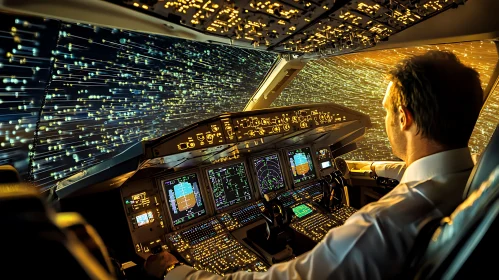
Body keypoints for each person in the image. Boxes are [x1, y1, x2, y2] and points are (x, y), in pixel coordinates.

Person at [147, 50, 484, 279]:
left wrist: (176, 272)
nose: (385, 119)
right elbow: (407, 172)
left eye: (385, 110)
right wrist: (358, 167)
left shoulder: (380, 225)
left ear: (404, 118)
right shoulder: (475, 177)